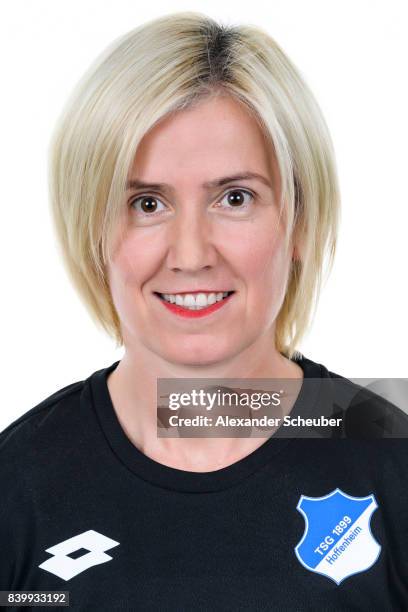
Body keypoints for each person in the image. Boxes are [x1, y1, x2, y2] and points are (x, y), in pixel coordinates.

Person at [1, 11, 407, 610]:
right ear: (89, 228)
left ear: (299, 217)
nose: (191, 255)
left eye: (234, 197)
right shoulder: (17, 489)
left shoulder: (390, 459)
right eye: (145, 203)